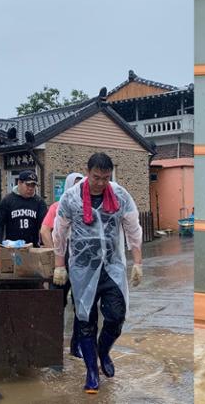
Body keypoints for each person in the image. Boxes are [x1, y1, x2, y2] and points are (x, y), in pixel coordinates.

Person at [52, 153, 143, 394]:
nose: (101, 183)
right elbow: (59, 233)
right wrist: (59, 265)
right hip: (82, 268)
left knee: (116, 316)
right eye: (96, 177)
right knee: (85, 321)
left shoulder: (120, 194)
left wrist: (138, 262)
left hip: (112, 266)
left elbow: (133, 226)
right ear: (88, 171)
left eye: (105, 177)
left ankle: (104, 352)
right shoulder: (71, 198)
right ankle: (92, 371)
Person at [40, 172, 84, 358]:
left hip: (80, 261)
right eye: (74, 185)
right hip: (61, 261)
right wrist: (56, 254)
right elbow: (44, 230)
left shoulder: (86, 208)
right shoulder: (57, 207)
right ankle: (52, 344)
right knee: (56, 302)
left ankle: (77, 345)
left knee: (80, 305)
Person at [0, 170, 47, 247]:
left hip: (33, 247)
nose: (30, 188)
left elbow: (44, 226)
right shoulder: (7, 201)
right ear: (19, 183)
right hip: (12, 247)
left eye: (33, 185)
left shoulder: (39, 202)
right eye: (28, 185)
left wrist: (43, 244)